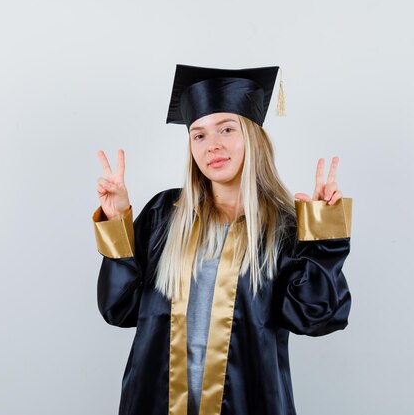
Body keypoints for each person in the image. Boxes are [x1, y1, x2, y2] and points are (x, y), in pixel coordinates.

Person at [92, 64, 353, 415]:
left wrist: (323, 233)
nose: (211, 145)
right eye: (198, 135)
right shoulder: (163, 215)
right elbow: (118, 309)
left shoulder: (285, 229)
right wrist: (116, 222)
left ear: (253, 136)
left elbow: (316, 317)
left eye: (226, 129)